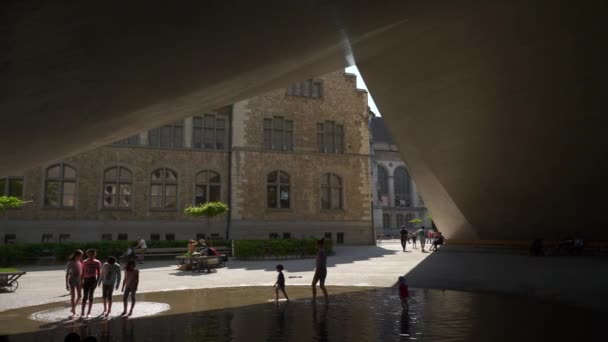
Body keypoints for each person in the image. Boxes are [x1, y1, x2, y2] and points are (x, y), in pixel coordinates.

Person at [81, 249, 101, 318]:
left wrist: (97, 282)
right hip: (86, 280)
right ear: (87, 254)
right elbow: (82, 272)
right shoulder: (84, 262)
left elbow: (99, 273)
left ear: (95, 254)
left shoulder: (97, 262)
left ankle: (89, 312)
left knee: (91, 296)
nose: (91, 255)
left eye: (92, 254)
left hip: (93, 279)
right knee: (85, 296)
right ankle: (82, 312)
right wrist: (81, 281)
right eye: (89, 254)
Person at [65, 250, 84, 317]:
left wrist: (82, 281)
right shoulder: (70, 262)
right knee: (73, 296)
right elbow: (67, 274)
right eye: (80, 255)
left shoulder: (80, 262)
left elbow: (81, 273)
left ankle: (73, 308)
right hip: (72, 280)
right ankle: (74, 312)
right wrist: (66, 284)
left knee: (79, 296)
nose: (81, 256)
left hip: (78, 280)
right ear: (76, 255)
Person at [312, 238, 329, 303]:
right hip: (324, 270)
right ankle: (326, 299)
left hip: (319, 270)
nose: (316, 245)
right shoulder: (323, 251)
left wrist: (317, 270)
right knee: (321, 286)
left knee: (313, 285)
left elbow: (319, 262)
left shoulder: (320, 252)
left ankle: (314, 299)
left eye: (316, 244)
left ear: (319, 244)